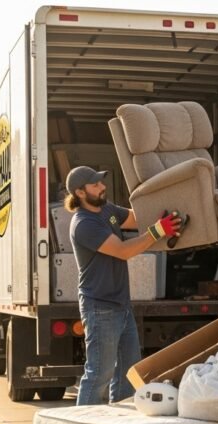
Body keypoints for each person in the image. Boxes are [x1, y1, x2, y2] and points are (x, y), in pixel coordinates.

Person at [66, 166, 185, 405]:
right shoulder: (84, 224)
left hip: (121, 304)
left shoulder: (107, 210)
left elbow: (136, 218)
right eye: (95, 184)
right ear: (80, 192)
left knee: (127, 373)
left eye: (101, 182)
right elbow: (123, 250)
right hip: (100, 307)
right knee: (99, 374)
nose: (102, 187)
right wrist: (158, 230)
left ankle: (119, 421)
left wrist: (167, 212)